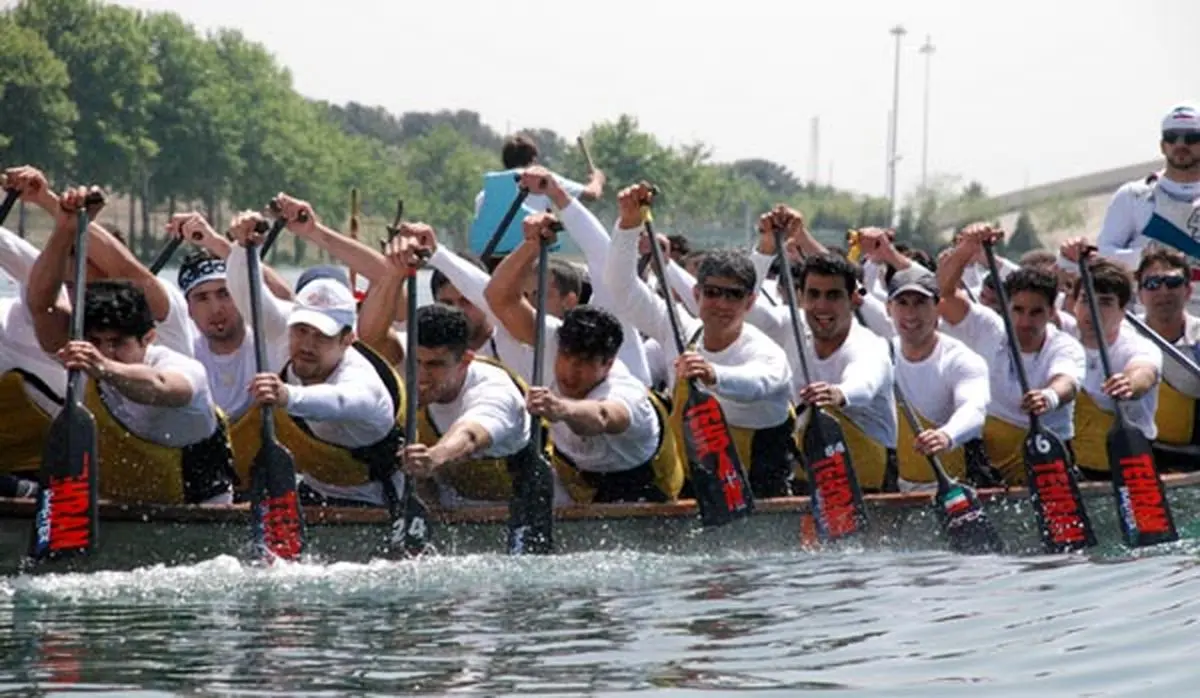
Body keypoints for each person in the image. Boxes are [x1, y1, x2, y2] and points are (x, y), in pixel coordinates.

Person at [25, 187, 235, 504]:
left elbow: (162, 388)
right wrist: (65, 230)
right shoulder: (83, 355)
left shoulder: (180, 367)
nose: (104, 351)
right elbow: (41, 306)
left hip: (195, 503)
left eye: (117, 343)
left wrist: (103, 368)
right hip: (122, 500)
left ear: (148, 338)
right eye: (96, 342)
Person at [603, 183, 796, 498]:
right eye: (713, 292)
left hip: (758, 494)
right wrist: (627, 225)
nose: (721, 303)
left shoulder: (764, 352)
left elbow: (759, 384)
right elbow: (621, 287)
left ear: (749, 302)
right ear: (696, 294)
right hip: (693, 488)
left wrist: (713, 374)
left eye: (733, 295)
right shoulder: (677, 329)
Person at [485, 212, 684, 503]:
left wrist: (561, 409)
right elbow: (499, 297)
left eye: (585, 363)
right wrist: (530, 245)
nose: (570, 371)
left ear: (608, 363)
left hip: (643, 487)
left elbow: (601, 417)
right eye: (567, 357)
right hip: (576, 477)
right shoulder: (556, 339)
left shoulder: (625, 392)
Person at [224, 205, 404, 507]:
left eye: (321, 335)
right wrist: (243, 247)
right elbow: (247, 296)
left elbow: (339, 401)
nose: (307, 344)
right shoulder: (287, 328)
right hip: (313, 489)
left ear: (348, 339)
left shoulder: (362, 382)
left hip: (374, 499)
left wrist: (287, 396)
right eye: (302, 330)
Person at [937, 224, 1086, 484]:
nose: (1025, 322)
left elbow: (1067, 382)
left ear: (1052, 312)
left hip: (1046, 462)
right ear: (1006, 306)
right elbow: (944, 294)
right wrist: (965, 251)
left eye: (1036, 312)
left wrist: (1048, 397)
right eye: (1017, 310)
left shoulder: (1064, 346)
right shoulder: (988, 328)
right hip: (987, 463)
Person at [400, 302, 549, 508]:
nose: (421, 377)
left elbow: (469, 436)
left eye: (435, 365)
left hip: (516, 508)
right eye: (415, 362)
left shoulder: (495, 392)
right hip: (451, 503)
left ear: (466, 360)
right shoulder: (407, 362)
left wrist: (434, 458)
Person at [885, 266, 997, 489]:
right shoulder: (879, 355)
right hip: (896, 494)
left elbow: (974, 409)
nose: (910, 314)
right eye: (902, 303)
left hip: (954, 490)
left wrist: (947, 435)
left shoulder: (961, 359)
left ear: (937, 307)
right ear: (889, 309)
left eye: (920, 303)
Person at [1060, 240, 1162, 478]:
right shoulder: (1060, 335)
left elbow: (1144, 371)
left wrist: (1129, 384)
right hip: (1070, 464)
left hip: (1127, 463)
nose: (1093, 310)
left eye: (1105, 302)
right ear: (1074, 304)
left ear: (1124, 309)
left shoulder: (1138, 346)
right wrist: (1066, 257)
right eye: (1086, 300)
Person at [469, 134, 606, 265]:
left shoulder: (484, 195)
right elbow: (591, 194)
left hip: (491, 260)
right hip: (530, 259)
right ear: (533, 161)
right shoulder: (542, 180)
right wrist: (597, 179)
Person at [1097, 104, 1200, 269]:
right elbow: (1103, 254)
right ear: (1163, 146)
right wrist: (1148, 257)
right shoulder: (1132, 196)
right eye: (1172, 137)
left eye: (1191, 138)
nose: (1180, 145)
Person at [1132, 246, 1200, 469]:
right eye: (1152, 284)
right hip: (1139, 458)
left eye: (1172, 283)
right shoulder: (1123, 336)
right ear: (1140, 294)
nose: (1163, 292)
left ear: (1188, 291)